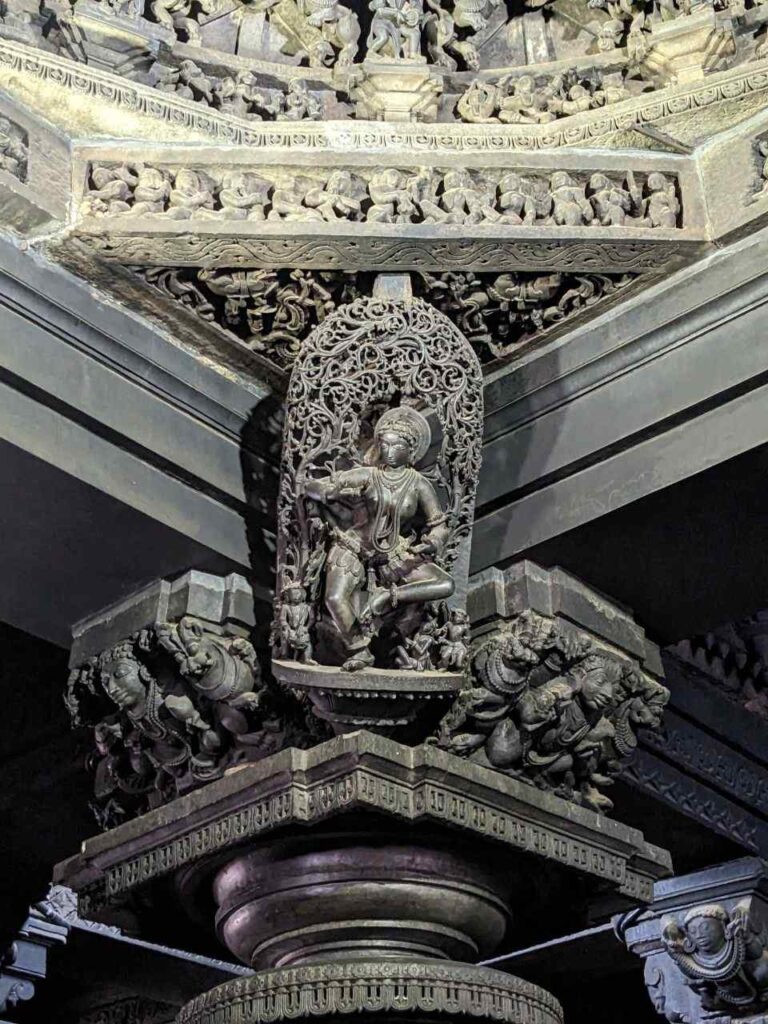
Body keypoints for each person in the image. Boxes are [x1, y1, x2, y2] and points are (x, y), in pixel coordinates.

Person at [300, 406, 453, 671]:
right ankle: (359, 649)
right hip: (354, 548)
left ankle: (386, 597)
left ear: (411, 450)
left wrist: (433, 541)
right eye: (384, 444)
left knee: (444, 584)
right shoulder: (368, 475)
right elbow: (314, 485)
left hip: (395, 555)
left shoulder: (418, 484)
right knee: (335, 598)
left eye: (397, 446)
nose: (389, 451)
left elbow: (439, 524)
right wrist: (326, 491)